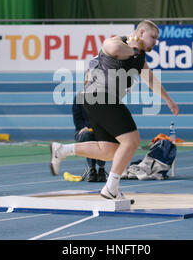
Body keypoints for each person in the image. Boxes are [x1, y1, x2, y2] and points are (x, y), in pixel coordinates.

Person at [50, 20, 179, 199]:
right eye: (153, 37)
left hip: (97, 101)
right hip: (100, 97)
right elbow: (111, 47)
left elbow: (150, 80)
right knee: (131, 141)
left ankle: (62, 150)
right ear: (141, 33)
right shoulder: (119, 42)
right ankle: (111, 188)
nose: (155, 42)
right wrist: (133, 48)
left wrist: (168, 101)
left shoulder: (140, 57)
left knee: (109, 150)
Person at [72, 93, 106, 182]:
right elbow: (78, 122)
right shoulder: (79, 98)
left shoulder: (104, 97)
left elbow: (105, 119)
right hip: (82, 131)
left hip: (100, 131)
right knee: (88, 134)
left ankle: (101, 169)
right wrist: (90, 127)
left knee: (102, 134)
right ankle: (92, 169)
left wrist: (92, 127)